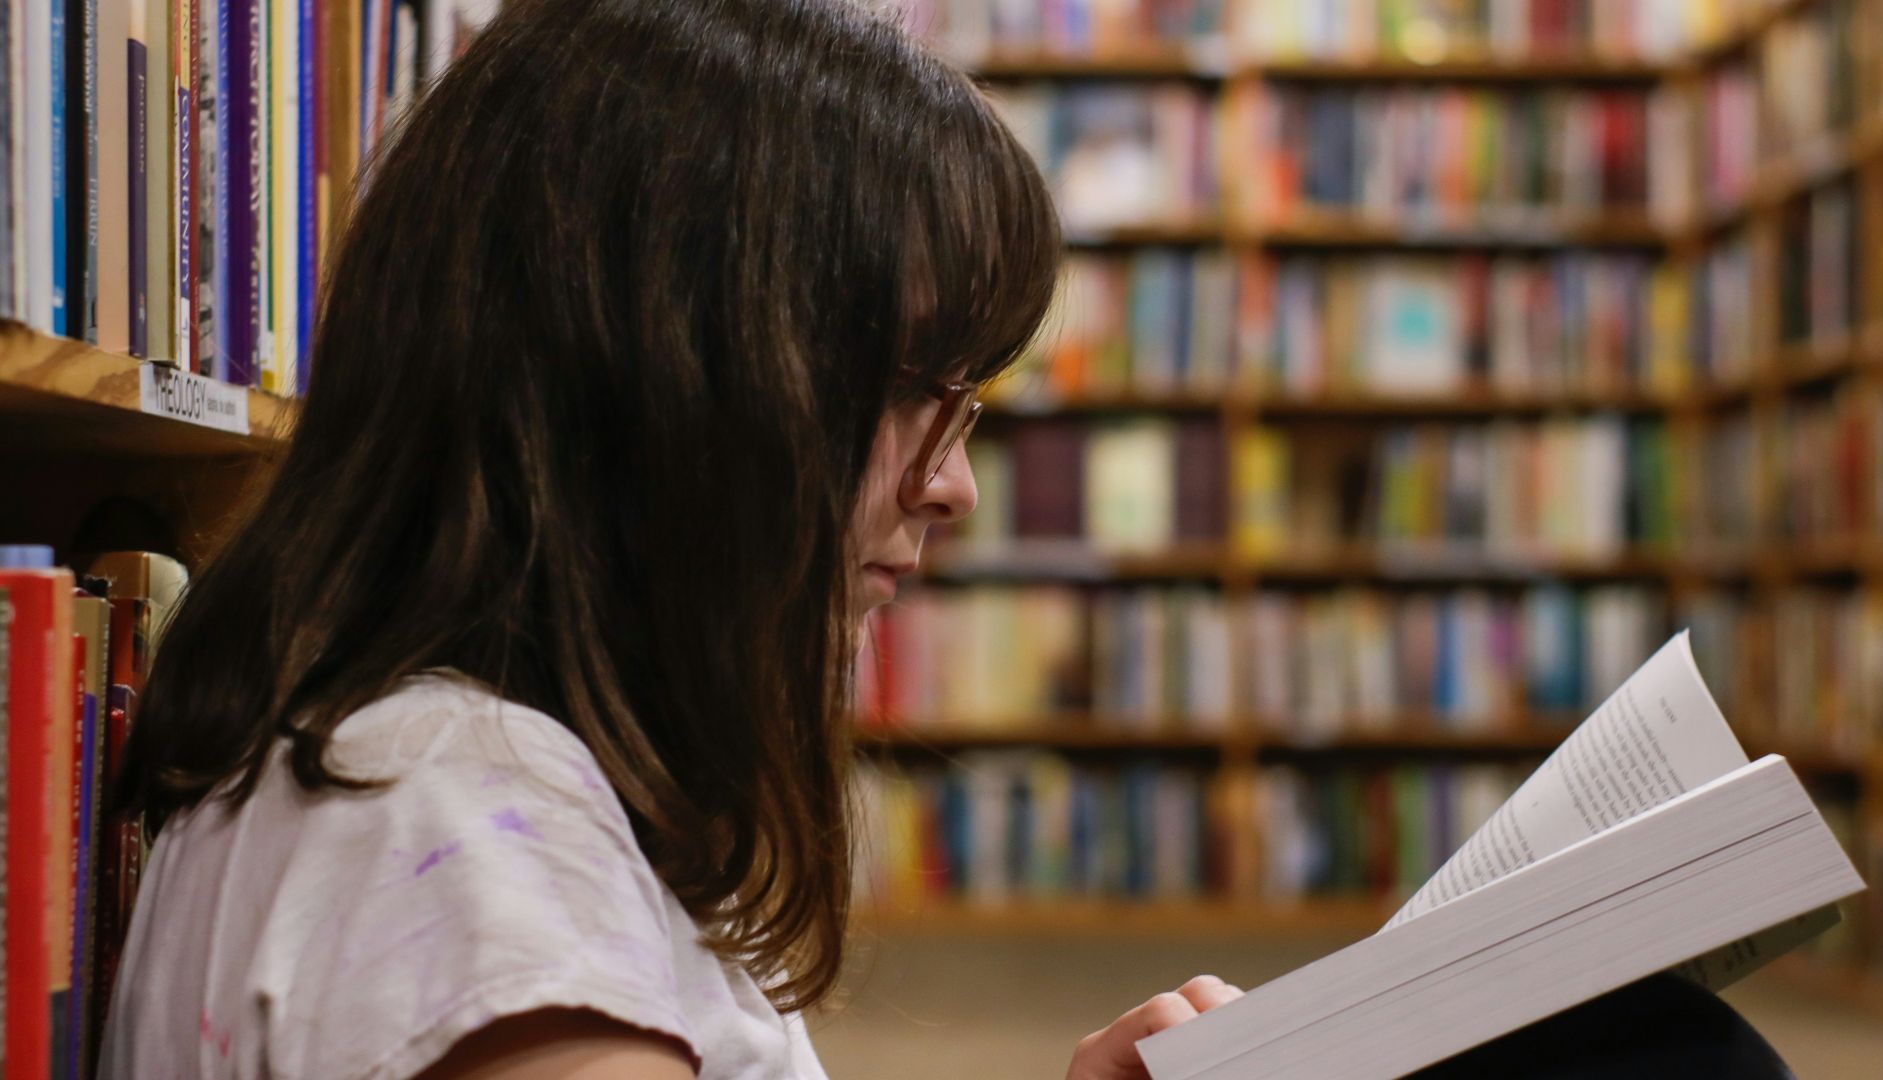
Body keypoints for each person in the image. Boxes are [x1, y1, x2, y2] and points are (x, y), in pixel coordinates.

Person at [98, 0, 1242, 1076]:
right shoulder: (466, 832)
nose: (955, 488)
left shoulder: (445, 777)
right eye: (909, 389)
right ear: (675, 377)